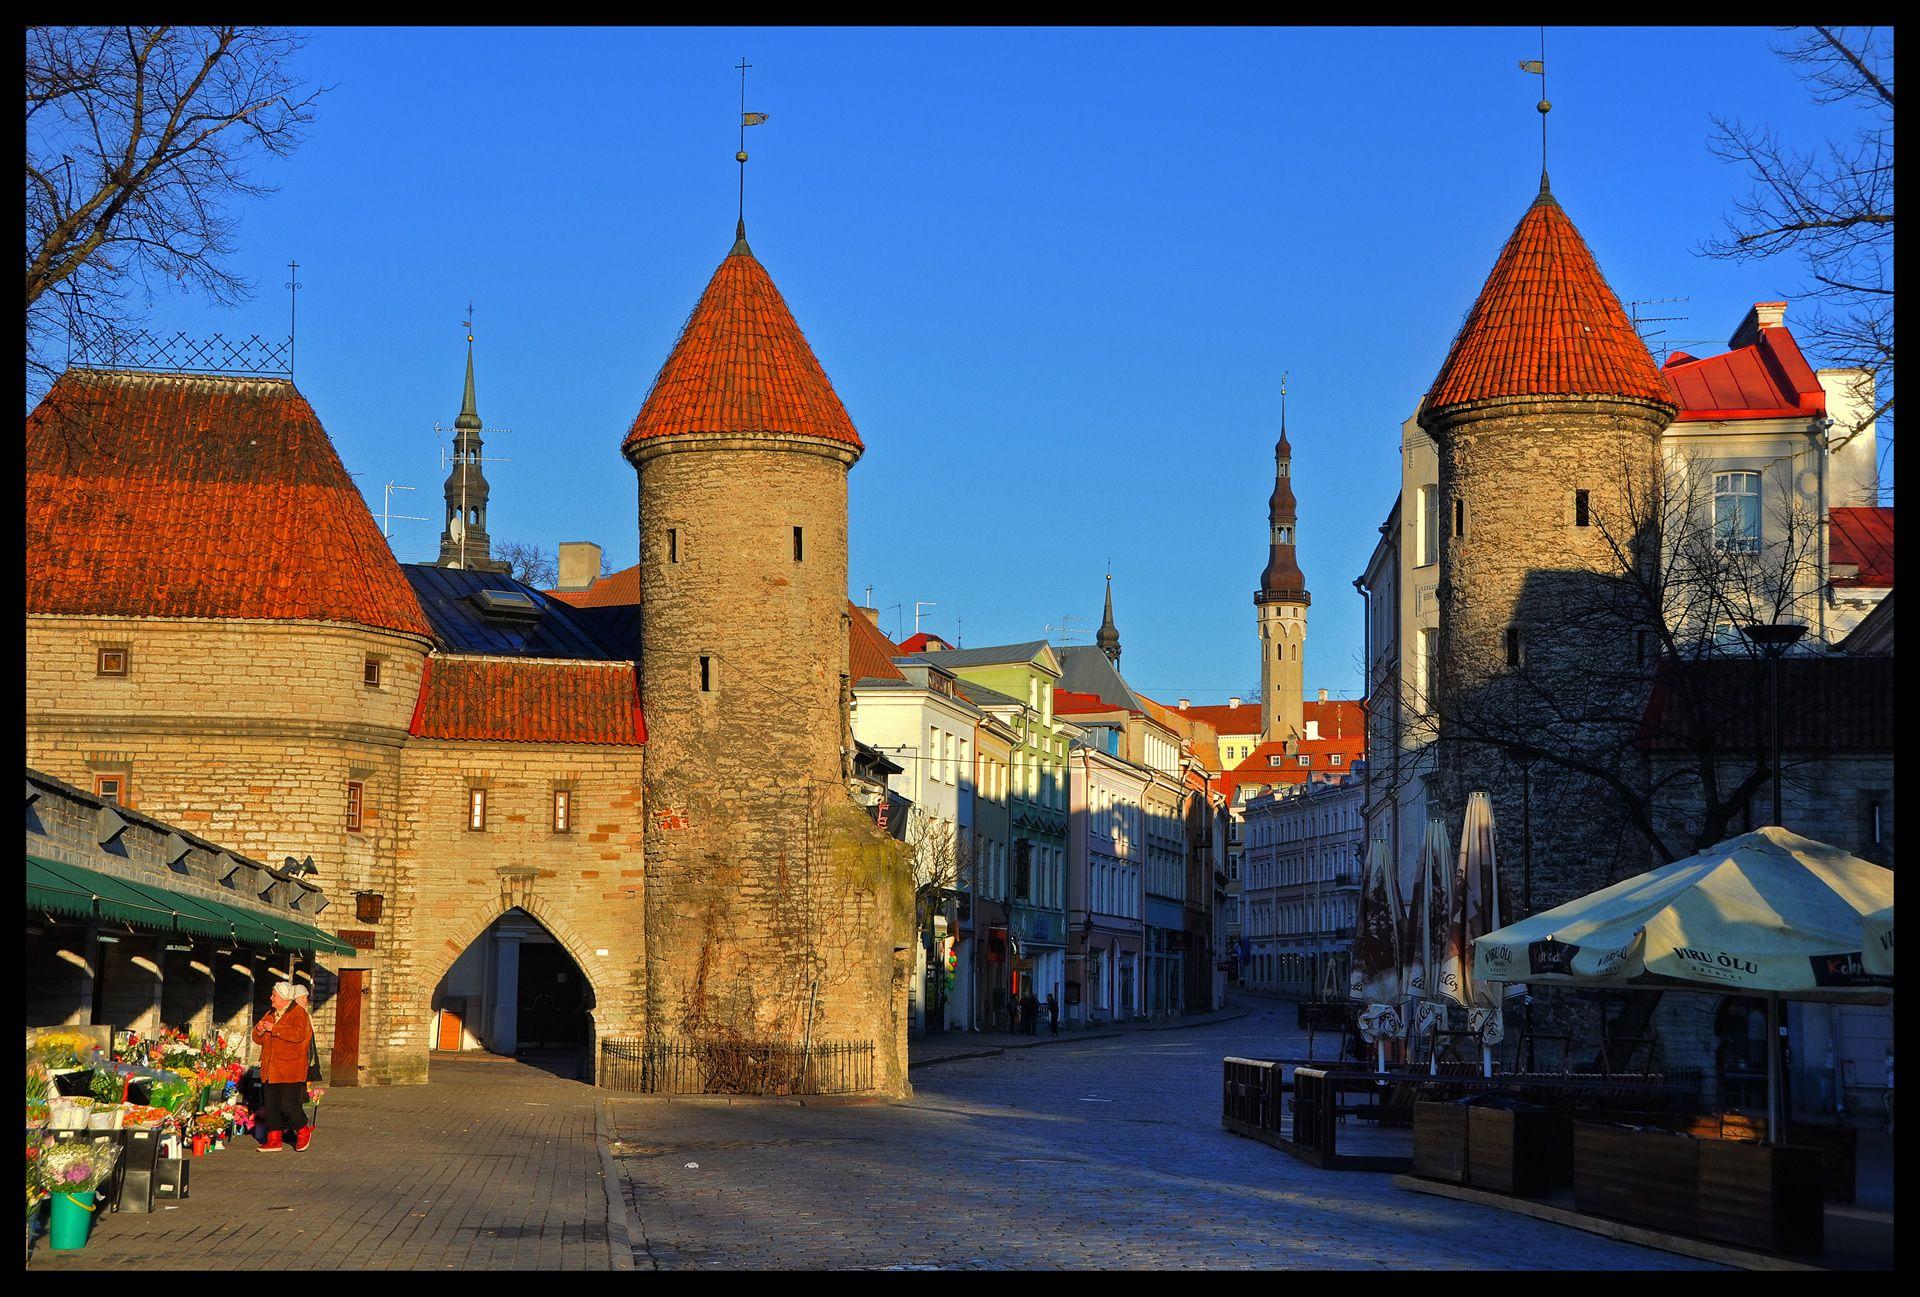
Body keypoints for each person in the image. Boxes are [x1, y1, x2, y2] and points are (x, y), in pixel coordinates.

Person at [251, 980, 315, 1151]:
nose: (271, 998)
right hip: (270, 1068)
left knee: (289, 1104)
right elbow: (257, 1039)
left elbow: (298, 1035)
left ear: (284, 998)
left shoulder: (298, 1013)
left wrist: (275, 1028)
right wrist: (259, 1030)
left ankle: (303, 1130)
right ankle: (274, 1139)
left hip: (290, 1068)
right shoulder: (271, 1013)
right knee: (271, 1105)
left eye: (274, 995)